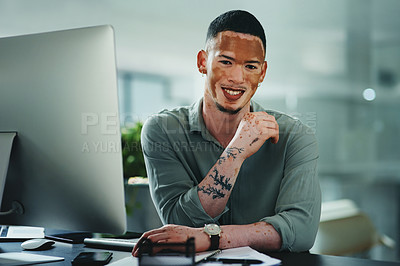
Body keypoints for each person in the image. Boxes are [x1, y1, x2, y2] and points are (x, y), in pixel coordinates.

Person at [133, 10, 321, 256]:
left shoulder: (296, 137)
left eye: (250, 66)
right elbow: (180, 221)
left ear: (262, 73)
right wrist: (235, 152)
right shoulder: (162, 131)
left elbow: (301, 231)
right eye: (225, 61)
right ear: (202, 62)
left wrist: (212, 238)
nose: (236, 78)